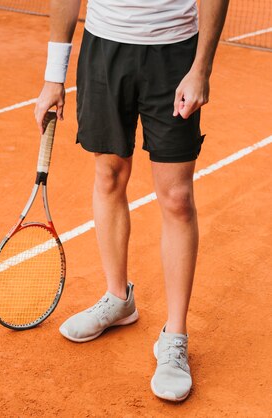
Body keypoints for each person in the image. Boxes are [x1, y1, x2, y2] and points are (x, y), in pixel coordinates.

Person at [34, 0, 229, 402]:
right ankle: (118, 298)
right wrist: (54, 76)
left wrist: (201, 68)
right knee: (108, 175)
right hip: (104, 48)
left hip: (175, 54)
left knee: (177, 197)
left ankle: (174, 337)